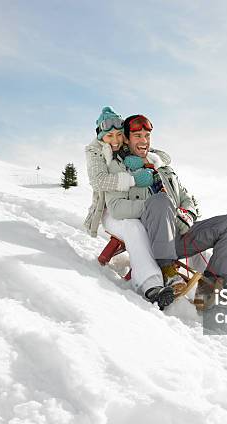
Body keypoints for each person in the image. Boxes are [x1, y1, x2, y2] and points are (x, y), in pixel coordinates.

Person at [104, 114, 227, 309]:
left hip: (179, 235)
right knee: (161, 200)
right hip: (152, 238)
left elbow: (185, 198)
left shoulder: (163, 167)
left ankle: (213, 288)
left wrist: (187, 215)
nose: (143, 141)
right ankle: (167, 271)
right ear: (126, 138)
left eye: (146, 136)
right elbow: (116, 207)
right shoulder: (118, 167)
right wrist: (156, 207)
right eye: (137, 136)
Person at [84, 107, 174, 300]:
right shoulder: (96, 152)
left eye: (119, 135)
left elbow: (150, 151)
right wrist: (132, 180)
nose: (115, 140)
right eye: (109, 136)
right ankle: (151, 284)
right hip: (110, 210)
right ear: (101, 136)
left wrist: (157, 159)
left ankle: (203, 289)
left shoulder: (125, 149)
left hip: (133, 205)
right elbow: (98, 180)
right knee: (133, 227)